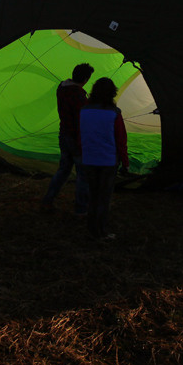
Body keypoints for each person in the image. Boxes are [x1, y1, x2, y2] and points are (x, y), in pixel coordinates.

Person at [78, 76, 129, 240]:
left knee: (92, 195)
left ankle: (91, 228)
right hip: (107, 161)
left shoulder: (84, 111)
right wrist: (125, 162)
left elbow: (82, 135)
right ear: (112, 93)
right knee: (104, 197)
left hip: (89, 159)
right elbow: (121, 139)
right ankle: (101, 232)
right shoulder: (114, 113)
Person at [41, 63, 94, 214]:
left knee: (63, 170)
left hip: (63, 134)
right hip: (76, 137)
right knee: (83, 174)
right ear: (85, 78)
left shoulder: (62, 88)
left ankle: (48, 200)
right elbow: (81, 119)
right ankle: (81, 208)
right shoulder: (77, 94)